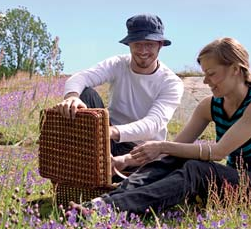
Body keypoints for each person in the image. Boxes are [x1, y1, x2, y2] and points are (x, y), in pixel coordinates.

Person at [76, 37, 251, 215]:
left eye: (211, 74)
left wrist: (162, 146)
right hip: (230, 181)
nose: (206, 81)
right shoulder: (210, 106)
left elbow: (218, 152)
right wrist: (126, 160)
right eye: (204, 74)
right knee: (173, 159)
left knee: (196, 169)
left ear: (234, 69)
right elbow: (176, 149)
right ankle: (102, 203)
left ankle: (112, 209)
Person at [54, 14, 184, 173]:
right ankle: (82, 168)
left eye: (149, 44)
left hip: (142, 151)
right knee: (85, 94)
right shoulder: (118, 64)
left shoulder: (171, 82)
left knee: (146, 177)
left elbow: (152, 125)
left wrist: (107, 132)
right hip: (107, 140)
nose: (143, 51)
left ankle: (105, 171)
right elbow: (81, 77)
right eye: (137, 44)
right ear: (129, 44)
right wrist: (71, 97)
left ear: (160, 45)